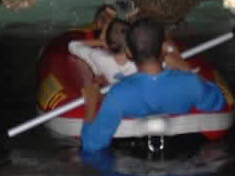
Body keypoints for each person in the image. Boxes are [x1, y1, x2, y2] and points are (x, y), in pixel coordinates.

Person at [80, 18, 227, 153]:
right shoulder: (191, 83)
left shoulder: (118, 93)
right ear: (163, 48)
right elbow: (219, 102)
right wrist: (186, 69)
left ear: (129, 52)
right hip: (185, 153)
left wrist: (91, 104)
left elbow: (91, 144)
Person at [68, 18, 136, 85]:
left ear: (108, 44)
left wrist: (101, 42)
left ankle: (106, 22)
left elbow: (72, 45)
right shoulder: (139, 62)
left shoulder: (97, 56)